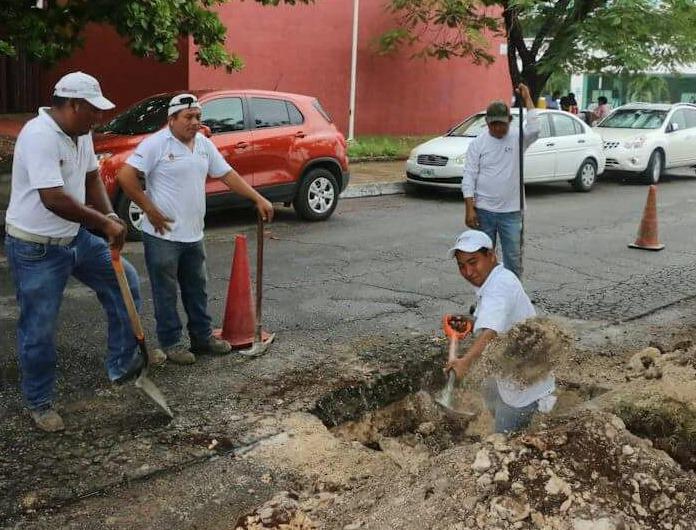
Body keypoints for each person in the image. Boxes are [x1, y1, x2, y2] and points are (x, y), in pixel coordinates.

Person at [4, 72, 145, 432]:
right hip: (35, 247)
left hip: (73, 238)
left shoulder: (80, 133)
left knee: (124, 278)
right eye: (93, 110)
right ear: (72, 105)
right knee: (39, 327)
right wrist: (103, 223)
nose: (98, 117)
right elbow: (52, 199)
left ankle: (120, 364)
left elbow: (90, 178)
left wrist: (110, 215)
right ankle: (39, 401)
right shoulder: (38, 136)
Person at [117, 93, 275, 366]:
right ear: (172, 120)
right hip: (163, 236)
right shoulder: (156, 144)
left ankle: (202, 338)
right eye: (188, 117)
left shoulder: (203, 144)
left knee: (196, 288)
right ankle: (172, 343)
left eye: (198, 117)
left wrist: (256, 197)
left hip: (193, 233)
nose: (195, 122)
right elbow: (125, 176)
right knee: (165, 292)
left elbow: (227, 174)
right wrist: (150, 209)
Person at [444, 230, 556, 433]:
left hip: (523, 391)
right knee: (490, 389)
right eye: (462, 266)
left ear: (491, 255)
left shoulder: (498, 287)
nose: (468, 272)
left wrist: (464, 363)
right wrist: (473, 321)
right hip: (515, 371)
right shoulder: (498, 278)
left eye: (473, 262)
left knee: (501, 443)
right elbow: (499, 317)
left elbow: (491, 332)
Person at [461, 83, 540, 278]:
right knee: (483, 259)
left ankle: (514, 300)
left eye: (502, 123)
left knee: (513, 259)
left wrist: (528, 98)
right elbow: (469, 175)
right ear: (487, 122)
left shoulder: (518, 138)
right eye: (493, 124)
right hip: (484, 211)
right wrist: (469, 208)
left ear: (510, 121)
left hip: (511, 212)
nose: (498, 128)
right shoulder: (478, 143)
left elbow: (535, 129)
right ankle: (486, 299)